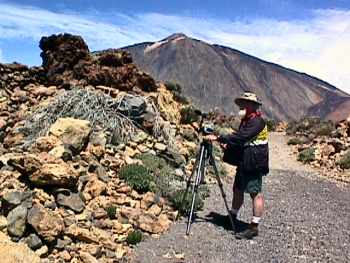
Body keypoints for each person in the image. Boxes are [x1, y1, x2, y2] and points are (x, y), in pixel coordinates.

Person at [205, 91, 269, 239]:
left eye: (245, 104)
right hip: (245, 161)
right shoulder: (247, 120)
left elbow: (241, 137)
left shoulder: (257, 121)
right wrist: (229, 147)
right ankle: (232, 216)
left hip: (254, 163)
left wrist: (219, 137)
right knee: (238, 189)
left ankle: (254, 226)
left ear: (252, 106)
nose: (242, 106)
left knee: (255, 192)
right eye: (241, 104)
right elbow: (243, 141)